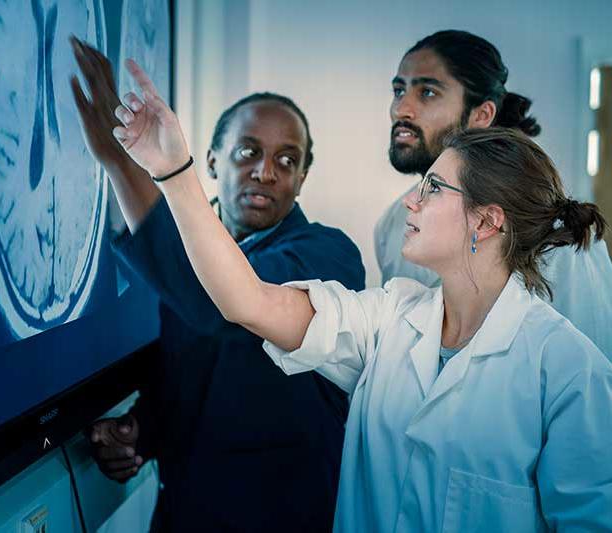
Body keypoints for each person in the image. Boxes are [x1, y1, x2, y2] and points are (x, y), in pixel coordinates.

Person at [106, 58, 612, 532]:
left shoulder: (569, 371)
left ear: (486, 219)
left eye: (433, 188)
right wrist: (172, 168)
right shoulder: (387, 319)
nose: (411, 199)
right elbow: (248, 302)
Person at [69, 38, 365, 532]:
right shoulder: (179, 250)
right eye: (247, 152)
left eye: (288, 160)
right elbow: (194, 371)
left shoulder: (328, 256)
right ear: (211, 162)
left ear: (302, 178)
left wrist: (123, 162)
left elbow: (223, 306)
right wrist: (142, 429)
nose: (266, 172)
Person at [375, 30, 612, 358]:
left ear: (481, 115)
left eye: (427, 92)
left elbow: (591, 374)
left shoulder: (554, 231)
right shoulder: (393, 224)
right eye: (399, 89)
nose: (402, 108)